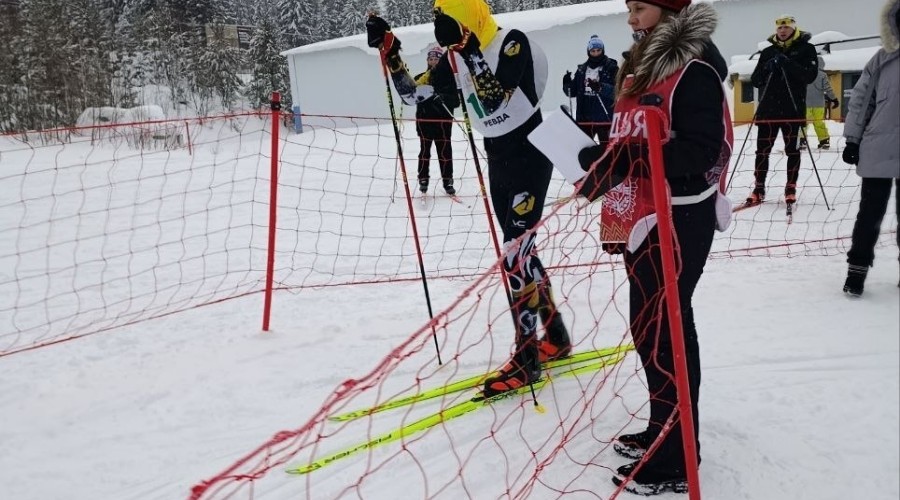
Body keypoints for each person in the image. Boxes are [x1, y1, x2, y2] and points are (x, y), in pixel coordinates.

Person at [366, 0, 571, 398]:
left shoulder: (511, 43)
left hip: (531, 155)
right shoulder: (454, 57)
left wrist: (469, 49)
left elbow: (495, 99)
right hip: (498, 160)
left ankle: (528, 359)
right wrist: (390, 52)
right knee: (521, 251)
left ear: (469, 14)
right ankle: (556, 334)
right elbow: (414, 94)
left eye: (450, 16)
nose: (444, 26)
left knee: (514, 254)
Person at [572, 0, 731, 494]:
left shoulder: (694, 71)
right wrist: (600, 168)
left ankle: (679, 453)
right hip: (639, 215)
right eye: (627, 9)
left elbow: (701, 150)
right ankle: (664, 428)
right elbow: (629, 140)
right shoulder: (637, 70)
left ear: (668, 9)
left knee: (667, 330)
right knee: (647, 327)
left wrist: (625, 160)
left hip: (680, 216)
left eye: (639, 8)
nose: (630, 18)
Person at [841, 0, 900, 297]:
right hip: (880, 147)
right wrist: (852, 139)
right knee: (870, 215)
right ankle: (856, 273)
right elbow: (861, 101)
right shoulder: (882, 59)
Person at [746, 14, 818, 206]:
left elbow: (809, 76)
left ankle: (790, 187)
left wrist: (788, 63)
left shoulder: (806, 49)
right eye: (779, 27)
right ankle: (758, 188)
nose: (782, 30)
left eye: (786, 27)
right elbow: (755, 80)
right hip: (768, 111)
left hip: (793, 111)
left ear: (793, 29)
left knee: (792, 151)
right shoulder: (768, 52)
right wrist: (768, 68)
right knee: (762, 151)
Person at [414, 44, 458, 195]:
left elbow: (456, 101)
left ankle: (448, 180)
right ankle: (423, 179)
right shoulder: (419, 78)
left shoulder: (449, 79)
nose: (433, 61)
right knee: (424, 151)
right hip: (424, 122)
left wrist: (442, 97)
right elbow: (412, 97)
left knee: (445, 152)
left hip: (443, 123)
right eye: (431, 58)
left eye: (436, 59)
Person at [562, 35, 618, 149]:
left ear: (603, 50)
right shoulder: (582, 69)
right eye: (593, 51)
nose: (596, 53)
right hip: (585, 118)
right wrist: (567, 83)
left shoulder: (611, 68)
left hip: (605, 118)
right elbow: (572, 92)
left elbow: (618, 92)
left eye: (598, 50)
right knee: (583, 150)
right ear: (589, 51)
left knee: (607, 151)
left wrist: (600, 87)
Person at [800, 56, 839, 150]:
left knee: (803, 123)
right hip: (819, 105)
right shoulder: (822, 75)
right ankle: (824, 141)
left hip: (805, 104)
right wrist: (834, 99)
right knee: (819, 123)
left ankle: (802, 141)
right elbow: (828, 89)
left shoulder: (803, 73)